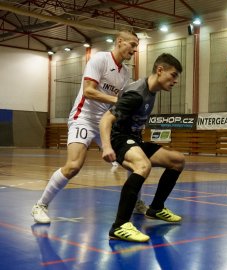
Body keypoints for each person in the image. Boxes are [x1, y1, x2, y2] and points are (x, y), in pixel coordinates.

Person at [31, 29, 148, 224]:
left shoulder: (125, 74)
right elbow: (88, 91)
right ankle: (40, 205)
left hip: (105, 123)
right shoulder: (100, 59)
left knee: (134, 161)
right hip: (83, 118)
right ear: (120, 42)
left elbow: (117, 105)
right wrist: (118, 100)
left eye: (137, 46)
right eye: (133, 45)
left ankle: (136, 201)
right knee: (74, 166)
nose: (135, 50)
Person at [100, 53, 184, 242]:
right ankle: (120, 225)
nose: (175, 81)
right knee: (142, 166)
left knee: (177, 161)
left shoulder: (152, 91)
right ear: (160, 70)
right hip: (119, 139)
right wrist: (106, 146)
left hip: (134, 139)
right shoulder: (137, 93)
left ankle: (156, 208)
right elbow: (107, 118)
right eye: (173, 75)